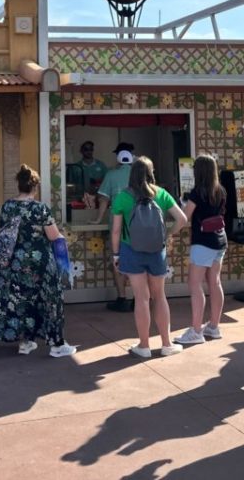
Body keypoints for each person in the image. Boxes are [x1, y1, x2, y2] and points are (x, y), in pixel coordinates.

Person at [0, 164, 77, 357]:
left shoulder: (7, 207)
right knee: (49, 301)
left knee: (20, 301)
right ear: (35, 187)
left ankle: (26, 342)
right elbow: (53, 236)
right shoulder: (40, 209)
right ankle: (57, 345)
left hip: (13, 263)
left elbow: (4, 230)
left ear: (19, 184)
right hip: (39, 263)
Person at [110, 155, 187, 359]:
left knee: (141, 299)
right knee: (159, 296)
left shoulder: (122, 197)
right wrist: (169, 234)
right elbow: (182, 218)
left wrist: (115, 254)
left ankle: (143, 346)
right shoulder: (161, 194)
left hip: (130, 249)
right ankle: (166, 344)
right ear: (151, 173)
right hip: (156, 250)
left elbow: (116, 230)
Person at [175, 154, 228, 346]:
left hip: (203, 241)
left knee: (195, 284)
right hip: (220, 240)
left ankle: (196, 330)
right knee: (215, 282)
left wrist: (171, 231)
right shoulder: (220, 190)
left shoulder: (197, 192)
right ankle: (214, 326)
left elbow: (185, 217)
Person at [96, 142, 135, 312]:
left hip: (117, 226)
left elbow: (103, 199)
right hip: (138, 225)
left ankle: (122, 298)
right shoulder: (140, 174)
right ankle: (138, 298)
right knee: (137, 262)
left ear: (118, 157)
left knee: (118, 260)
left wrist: (98, 219)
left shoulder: (111, 175)